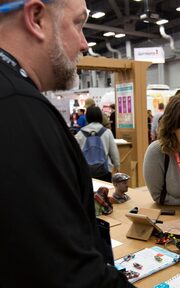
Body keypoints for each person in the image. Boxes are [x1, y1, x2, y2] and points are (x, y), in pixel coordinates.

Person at [0, 0, 133, 286]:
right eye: (78, 24)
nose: (85, 43)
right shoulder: (19, 110)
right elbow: (69, 274)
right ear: (36, 18)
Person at [75, 106, 120, 182]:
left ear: (87, 117)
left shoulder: (80, 134)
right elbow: (114, 152)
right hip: (104, 170)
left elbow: (75, 154)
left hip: (86, 171)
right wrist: (117, 166)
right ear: (100, 116)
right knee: (105, 192)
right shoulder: (107, 132)